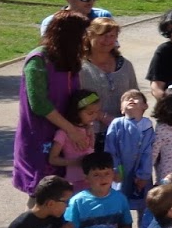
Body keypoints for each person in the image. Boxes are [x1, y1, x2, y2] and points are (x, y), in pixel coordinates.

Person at [13, 11, 91, 196]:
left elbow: (76, 97)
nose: (85, 39)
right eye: (81, 34)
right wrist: (71, 130)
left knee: (65, 192)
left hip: (66, 137)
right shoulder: (38, 60)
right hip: (40, 136)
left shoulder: (68, 59)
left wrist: (86, 123)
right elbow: (39, 103)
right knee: (42, 193)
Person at [78, 18, 138, 143]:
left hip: (122, 134)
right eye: (103, 35)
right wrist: (102, 116)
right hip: (90, 134)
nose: (108, 40)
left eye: (112, 36)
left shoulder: (125, 65)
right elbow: (76, 101)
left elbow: (135, 95)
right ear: (90, 35)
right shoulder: (80, 67)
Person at [103, 90, 155, 216]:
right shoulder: (117, 124)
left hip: (140, 172)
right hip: (121, 172)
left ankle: (144, 227)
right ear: (121, 109)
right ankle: (123, 227)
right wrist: (115, 170)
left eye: (136, 98)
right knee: (119, 205)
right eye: (127, 99)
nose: (131, 100)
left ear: (145, 106)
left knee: (144, 205)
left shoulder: (147, 126)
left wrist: (144, 175)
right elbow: (110, 149)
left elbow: (148, 152)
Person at [47, 88, 100, 187]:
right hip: (75, 182)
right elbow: (52, 159)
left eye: (97, 112)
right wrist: (76, 162)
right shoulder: (63, 133)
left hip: (93, 180)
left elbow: (91, 149)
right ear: (76, 112)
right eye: (90, 113)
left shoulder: (89, 129)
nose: (94, 116)